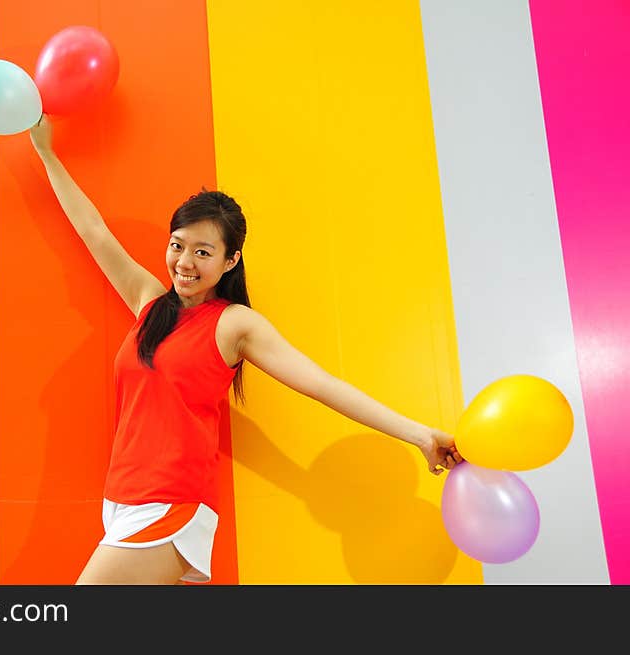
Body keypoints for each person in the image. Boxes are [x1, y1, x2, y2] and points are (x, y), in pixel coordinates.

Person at [29, 114, 462, 585]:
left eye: (203, 251)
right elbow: (93, 231)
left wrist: (419, 434)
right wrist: (46, 152)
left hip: (172, 501)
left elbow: (321, 384)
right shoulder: (148, 302)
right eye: (178, 246)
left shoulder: (234, 324)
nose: (185, 262)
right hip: (121, 500)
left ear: (230, 259)